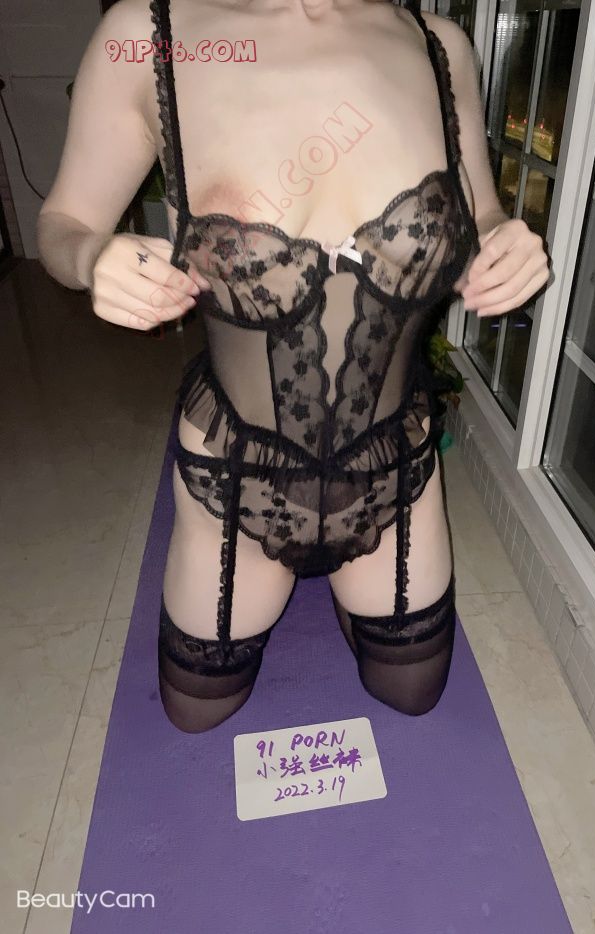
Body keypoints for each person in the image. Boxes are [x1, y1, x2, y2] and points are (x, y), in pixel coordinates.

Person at [37, 0, 550, 732]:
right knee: (196, 712)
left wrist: (502, 242)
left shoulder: (439, 47)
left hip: (394, 470)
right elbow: (63, 222)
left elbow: (481, 212)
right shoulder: (148, 37)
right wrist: (92, 256)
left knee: (413, 693)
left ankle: (350, 582)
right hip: (235, 477)